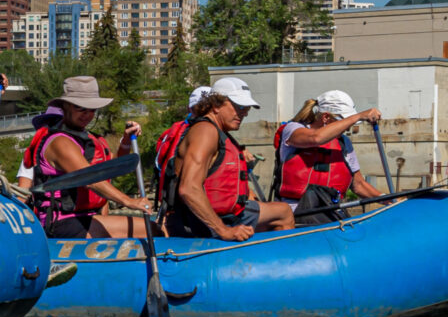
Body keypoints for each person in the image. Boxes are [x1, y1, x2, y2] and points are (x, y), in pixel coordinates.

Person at [164, 77, 295, 241]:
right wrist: (224, 231)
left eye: (247, 108)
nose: (245, 113)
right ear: (216, 105)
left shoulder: (217, 131)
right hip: (200, 224)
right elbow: (189, 189)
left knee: (282, 210)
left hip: (227, 215)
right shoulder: (205, 131)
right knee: (283, 214)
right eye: (239, 106)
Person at [25, 76, 153, 238]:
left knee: (156, 229)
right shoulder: (60, 142)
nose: (87, 114)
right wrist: (129, 201)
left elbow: (112, 167)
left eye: (92, 109)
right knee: (153, 230)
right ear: (65, 106)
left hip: (86, 216)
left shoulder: (87, 139)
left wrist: (126, 141)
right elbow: (89, 178)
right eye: (80, 108)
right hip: (62, 222)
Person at [275, 89, 385, 219]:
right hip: (294, 214)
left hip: (331, 212)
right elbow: (315, 138)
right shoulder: (293, 129)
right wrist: (357, 116)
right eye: (345, 121)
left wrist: (390, 200)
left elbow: (359, 185)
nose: (348, 127)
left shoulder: (344, 142)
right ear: (326, 117)